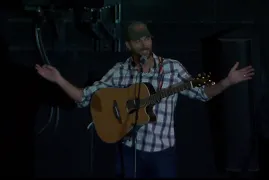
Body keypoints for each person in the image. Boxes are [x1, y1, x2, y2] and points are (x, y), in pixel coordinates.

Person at [35, 21, 255, 178]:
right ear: (129, 46)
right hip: (129, 153)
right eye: (137, 40)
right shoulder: (120, 71)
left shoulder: (172, 68)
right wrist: (58, 79)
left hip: (163, 155)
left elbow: (203, 93)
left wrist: (227, 82)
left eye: (146, 38)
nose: (144, 44)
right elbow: (84, 97)